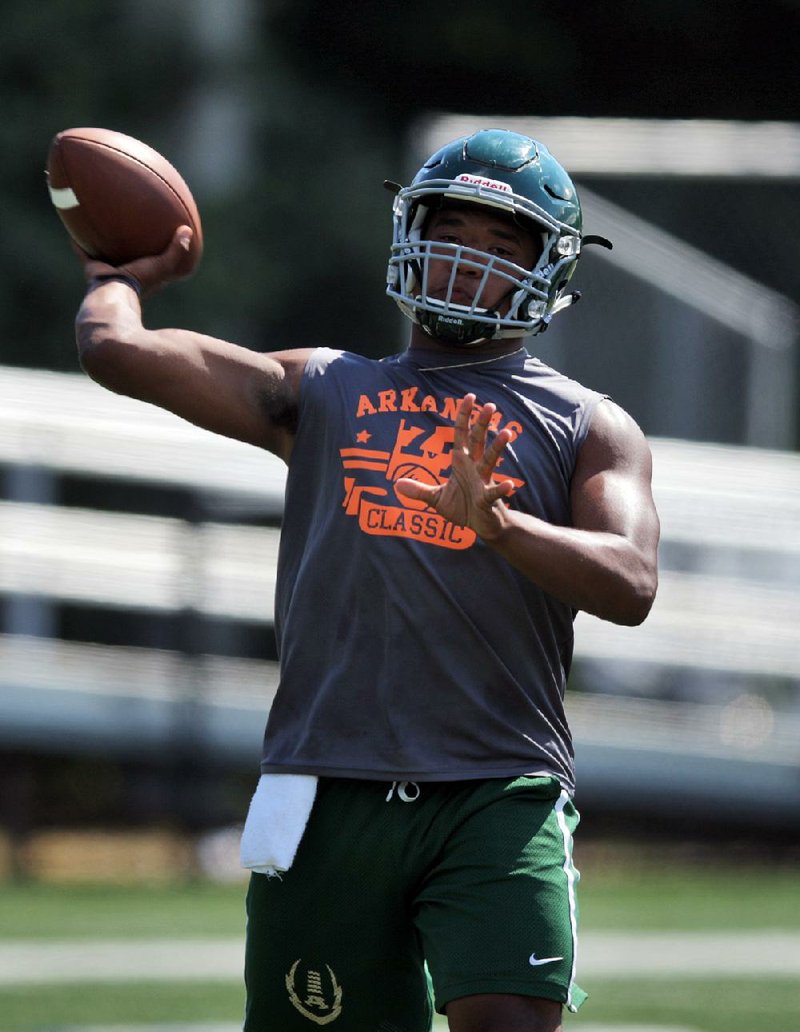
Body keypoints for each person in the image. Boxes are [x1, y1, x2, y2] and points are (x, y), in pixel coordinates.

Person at [74, 128, 660, 1032]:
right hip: (327, 784)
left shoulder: (590, 424)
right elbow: (119, 353)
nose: (468, 261)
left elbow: (630, 584)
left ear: (549, 272)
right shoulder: (322, 388)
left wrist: (501, 526)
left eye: (501, 246)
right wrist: (119, 270)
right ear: (409, 232)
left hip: (496, 787)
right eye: (453, 231)